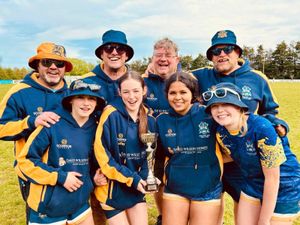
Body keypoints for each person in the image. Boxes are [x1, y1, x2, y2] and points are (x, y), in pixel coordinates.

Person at [191, 30, 289, 224]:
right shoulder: (200, 76)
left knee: (244, 207)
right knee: (211, 206)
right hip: (211, 157)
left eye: (227, 49)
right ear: (211, 57)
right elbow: (173, 78)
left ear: (237, 52)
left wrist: (278, 126)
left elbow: (271, 111)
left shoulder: (257, 78)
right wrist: (150, 69)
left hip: (244, 162)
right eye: (216, 52)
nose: (221, 55)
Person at [204, 82, 300, 225]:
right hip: (253, 182)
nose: (220, 110)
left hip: (284, 185)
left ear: (239, 106)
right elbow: (233, 155)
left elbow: (273, 178)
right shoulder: (221, 132)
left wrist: (264, 220)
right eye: (214, 106)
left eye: (225, 104)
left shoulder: (261, 128)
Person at [0, 42, 72, 223]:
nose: (54, 67)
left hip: (69, 171)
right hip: (35, 173)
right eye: (47, 62)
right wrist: (30, 121)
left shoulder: (71, 93)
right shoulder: (19, 92)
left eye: (59, 63)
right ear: (37, 65)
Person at [17, 79, 106, 225]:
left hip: (80, 204)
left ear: (97, 103)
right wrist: (61, 177)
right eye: (80, 97)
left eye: (91, 99)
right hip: (48, 208)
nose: (86, 103)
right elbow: (24, 161)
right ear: (71, 100)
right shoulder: (51, 123)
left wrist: (93, 179)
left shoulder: (96, 129)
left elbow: (89, 163)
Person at [81, 29, 135, 225]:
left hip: (128, 157)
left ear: (126, 54)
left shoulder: (134, 80)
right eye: (109, 48)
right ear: (101, 53)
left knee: (130, 205)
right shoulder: (86, 81)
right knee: (98, 205)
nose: (114, 52)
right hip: (94, 156)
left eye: (120, 49)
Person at [155, 71, 223, 225]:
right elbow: (157, 155)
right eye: (172, 93)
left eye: (183, 92)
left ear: (192, 93)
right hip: (175, 187)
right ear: (166, 95)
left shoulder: (209, 115)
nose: (177, 97)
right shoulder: (162, 121)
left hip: (207, 187)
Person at [93, 71, 157, 225]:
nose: (132, 96)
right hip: (112, 190)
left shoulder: (150, 119)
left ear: (144, 90)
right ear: (119, 92)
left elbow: (149, 156)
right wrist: (133, 179)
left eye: (136, 91)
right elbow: (104, 157)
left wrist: (146, 178)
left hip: (135, 189)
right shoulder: (110, 114)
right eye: (126, 92)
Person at [142, 37, 180, 225]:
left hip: (182, 142)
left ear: (177, 59)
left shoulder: (187, 80)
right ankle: (163, 216)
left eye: (168, 55)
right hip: (154, 145)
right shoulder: (143, 82)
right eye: (158, 55)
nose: (163, 59)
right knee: (157, 182)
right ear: (152, 59)